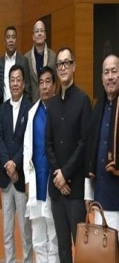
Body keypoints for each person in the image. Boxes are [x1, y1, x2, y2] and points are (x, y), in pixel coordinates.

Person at [45, 47, 91, 263]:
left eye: (66, 63)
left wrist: (66, 174)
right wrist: (58, 175)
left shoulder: (83, 100)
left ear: (74, 67)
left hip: (75, 190)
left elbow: (84, 144)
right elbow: (48, 144)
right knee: (62, 248)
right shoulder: (52, 104)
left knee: (80, 247)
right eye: (59, 64)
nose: (63, 67)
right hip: (57, 189)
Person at [0, 64, 33, 263]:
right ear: (8, 83)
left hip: (21, 178)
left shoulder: (30, 107)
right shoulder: (3, 108)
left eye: (19, 80)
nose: (15, 83)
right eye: (12, 80)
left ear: (24, 83)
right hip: (6, 177)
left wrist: (15, 164)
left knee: (25, 229)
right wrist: (8, 165)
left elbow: (28, 141)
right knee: (7, 230)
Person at [23, 66, 59, 262]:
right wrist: (28, 181)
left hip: (54, 181)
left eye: (48, 82)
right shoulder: (32, 113)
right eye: (41, 83)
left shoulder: (60, 110)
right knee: (37, 237)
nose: (44, 86)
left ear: (54, 86)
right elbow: (27, 149)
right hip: (36, 180)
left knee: (54, 237)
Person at [85, 54, 119, 234]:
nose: (110, 76)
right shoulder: (97, 108)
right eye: (106, 72)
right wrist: (88, 194)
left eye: (114, 71)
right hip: (101, 198)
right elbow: (90, 151)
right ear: (102, 78)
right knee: (103, 248)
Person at [24, 20, 56, 103]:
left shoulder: (53, 56)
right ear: (33, 36)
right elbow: (26, 86)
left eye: (42, 31)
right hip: (32, 104)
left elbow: (56, 81)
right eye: (37, 31)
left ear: (45, 35)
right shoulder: (26, 58)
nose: (39, 34)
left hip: (50, 103)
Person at [0, 26, 31, 102]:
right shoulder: (0, 62)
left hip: (20, 105)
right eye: (8, 37)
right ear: (4, 41)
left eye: (13, 37)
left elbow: (27, 87)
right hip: (3, 105)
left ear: (16, 40)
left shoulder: (23, 61)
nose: (11, 40)